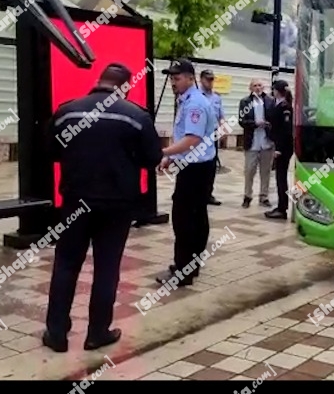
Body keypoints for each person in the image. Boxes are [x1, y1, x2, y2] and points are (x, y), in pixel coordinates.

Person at [44, 63, 163, 352]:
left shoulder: (67, 111)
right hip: (117, 205)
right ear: (125, 87)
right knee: (107, 267)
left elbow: (50, 152)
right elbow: (152, 158)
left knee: (66, 264)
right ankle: (97, 332)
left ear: (99, 81)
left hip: (75, 200)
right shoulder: (136, 116)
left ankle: (57, 333)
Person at [155, 59, 217, 287]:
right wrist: (170, 157)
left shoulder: (194, 104)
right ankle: (190, 265)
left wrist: (162, 151)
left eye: (177, 77)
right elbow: (185, 137)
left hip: (195, 170)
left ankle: (183, 270)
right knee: (196, 217)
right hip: (197, 166)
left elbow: (192, 140)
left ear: (191, 78)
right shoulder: (188, 100)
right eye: (171, 78)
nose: (173, 82)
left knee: (185, 220)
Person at [238, 79, 275, 209]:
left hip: (266, 141)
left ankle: (264, 196)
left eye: (260, 85)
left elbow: (275, 119)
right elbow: (242, 121)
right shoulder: (245, 102)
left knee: (265, 171)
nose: (258, 88)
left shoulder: (270, 101)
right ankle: (247, 196)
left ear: (263, 87)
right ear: (250, 88)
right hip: (252, 141)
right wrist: (255, 124)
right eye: (255, 85)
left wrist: (269, 124)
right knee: (249, 170)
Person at [265, 79, 294, 220]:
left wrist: (279, 149)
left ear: (277, 90)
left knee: (281, 178)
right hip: (277, 145)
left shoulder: (285, 107)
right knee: (279, 177)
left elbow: (286, 131)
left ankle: (283, 208)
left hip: (283, 148)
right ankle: (281, 206)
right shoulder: (277, 103)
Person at [200, 69, 224, 206]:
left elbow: (221, 116)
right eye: (207, 79)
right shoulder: (197, 96)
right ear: (201, 79)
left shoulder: (217, 97)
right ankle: (198, 193)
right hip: (198, 136)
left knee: (211, 165)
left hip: (212, 135)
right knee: (198, 164)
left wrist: (222, 129)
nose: (210, 82)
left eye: (212, 79)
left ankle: (208, 194)